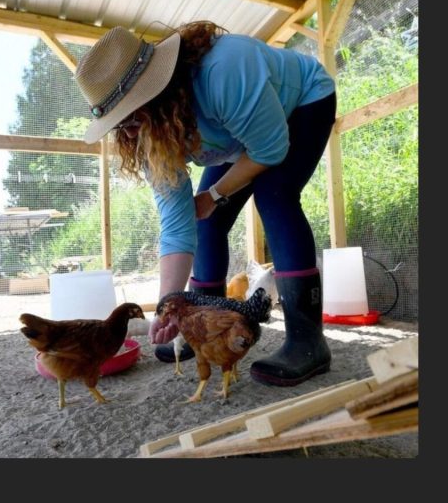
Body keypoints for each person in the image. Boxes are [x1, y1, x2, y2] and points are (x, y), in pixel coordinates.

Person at [73, 22, 336, 386]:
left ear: (156, 91)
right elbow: (179, 223)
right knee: (205, 223)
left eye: (131, 116)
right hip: (241, 133)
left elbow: (270, 151)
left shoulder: (224, 70)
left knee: (275, 196)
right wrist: (169, 305)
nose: (129, 132)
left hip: (302, 104)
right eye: (119, 125)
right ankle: (204, 333)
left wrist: (214, 195)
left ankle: (308, 342)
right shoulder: (149, 134)